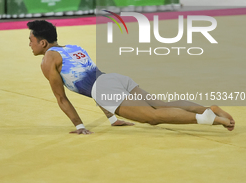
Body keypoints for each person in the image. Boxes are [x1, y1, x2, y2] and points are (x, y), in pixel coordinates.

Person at [27, 20, 235, 135]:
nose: (29, 44)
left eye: (31, 40)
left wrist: (80, 127)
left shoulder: (49, 60)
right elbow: (94, 82)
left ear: (43, 43)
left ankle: (211, 119)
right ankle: (208, 109)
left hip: (105, 88)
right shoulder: (73, 48)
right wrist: (112, 118)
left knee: (153, 118)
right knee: (161, 106)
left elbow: (62, 98)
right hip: (115, 79)